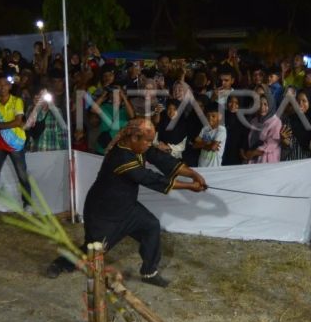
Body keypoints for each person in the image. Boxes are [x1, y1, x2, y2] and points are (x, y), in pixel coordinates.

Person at [46, 119, 207, 286]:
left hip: (127, 208)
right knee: (92, 252)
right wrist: (189, 186)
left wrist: (192, 174)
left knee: (151, 226)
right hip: (103, 213)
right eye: (147, 141)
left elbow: (163, 160)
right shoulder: (120, 156)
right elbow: (150, 178)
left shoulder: (139, 146)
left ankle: (149, 272)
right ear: (135, 138)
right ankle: (61, 263)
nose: (149, 145)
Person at [0, 76, 31, 216]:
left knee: (22, 175)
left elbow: (18, 122)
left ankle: (28, 205)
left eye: (5, 84)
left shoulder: (17, 101)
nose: (2, 87)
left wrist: (0, 126)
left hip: (16, 142)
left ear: (9, 87)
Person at [194, 102, 226, 167]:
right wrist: (209, 144)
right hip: (201, 164)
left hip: (213, 167)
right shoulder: (205, 128)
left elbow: (213, 147)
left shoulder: (221, 130)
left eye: (213, 116)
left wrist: (202, 143)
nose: (210, 118)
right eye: (208, 116)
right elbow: (195, 145)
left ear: (220, 116)